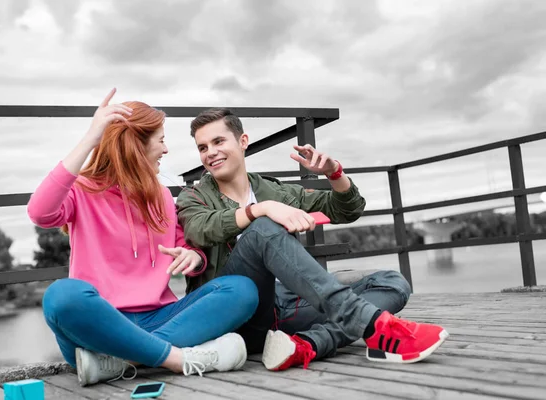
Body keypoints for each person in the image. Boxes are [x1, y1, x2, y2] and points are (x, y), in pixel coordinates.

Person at [176, 108, 448, 371]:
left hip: (283, 307)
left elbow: (346, 209)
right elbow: (199, 228)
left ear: (243, 141)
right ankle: (373, 327)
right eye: (202, 147)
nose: (210, 152)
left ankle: (308, 345)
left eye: (218, 141)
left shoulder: (273, 190)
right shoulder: (195, 196)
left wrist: (334, 173)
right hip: (234, 315)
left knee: (393, 282)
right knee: (263, 228)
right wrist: (259, 209)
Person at [27, 91, 259, 386]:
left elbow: (183, 244)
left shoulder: (162, 196)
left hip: (160, 317)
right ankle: (178, 360)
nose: (165, 149)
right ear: (137, 145)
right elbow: (40, 212)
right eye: (161, 140)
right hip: (100, 327)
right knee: (61, 297)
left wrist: (193, 256)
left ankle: (119, 361)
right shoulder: (83, 190)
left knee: (241, 289)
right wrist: (91, 137)